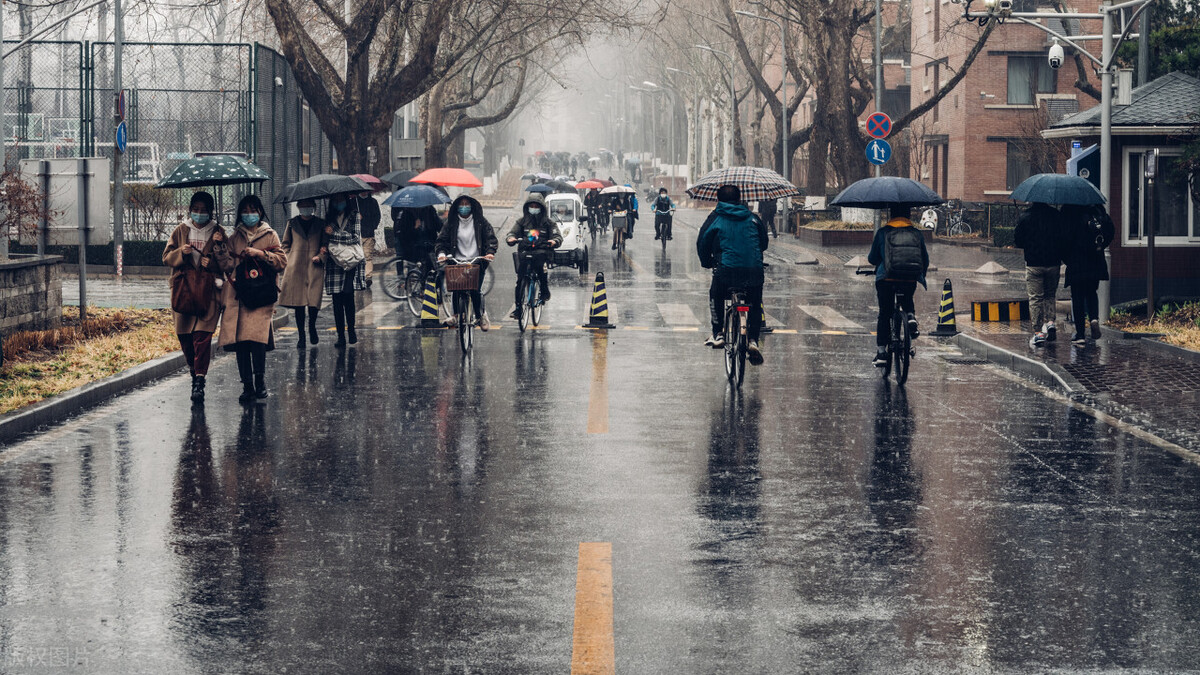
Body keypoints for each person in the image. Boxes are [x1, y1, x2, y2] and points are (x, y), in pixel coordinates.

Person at [216, 195, 287, 403]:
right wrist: (220, 248)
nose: (249, 214)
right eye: (245, 211)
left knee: (256, 341)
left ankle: (260, 382)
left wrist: (260, 254)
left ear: (260, 212)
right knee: (241, 343)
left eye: (253, 210)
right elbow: (227, 266)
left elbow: (281, 261)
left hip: (261, 294)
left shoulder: (270, 235)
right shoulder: (234, 237)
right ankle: (246, 385)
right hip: (238, 295)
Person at [163, 191, 227, 404]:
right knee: (186, 338)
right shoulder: (181, 230)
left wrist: (217, 253)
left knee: (203, 337)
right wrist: (182, 252)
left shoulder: (219, 232)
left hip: (209, 293)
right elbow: (167, 257)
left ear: (210, 211)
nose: (199, 213)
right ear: (190, 210)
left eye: (204, 210)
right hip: (184, 291)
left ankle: (199, 381)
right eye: (196, 209)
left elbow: (228, 263)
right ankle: (193, 369)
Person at [697, 184, 768, 365]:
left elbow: (702, 242)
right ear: (739, 199)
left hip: (726, 271)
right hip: (753, 271)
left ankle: (718, 333)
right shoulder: (752, 218)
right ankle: (752, 339)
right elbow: (764, 242)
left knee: (716, 294)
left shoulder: (716, 218)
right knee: (755, 299)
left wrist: (706, 262)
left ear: (718, 199)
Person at [867, 205, 930, 367]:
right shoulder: (916, 234)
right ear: (908, 215)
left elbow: (872, 259)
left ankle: (881, 352)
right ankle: (910, 316)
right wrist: (920, 274)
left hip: (886, 279)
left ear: (891, 215)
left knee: (884, 314)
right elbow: (924, 259)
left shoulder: (883, 233)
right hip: (909, 278)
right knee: (907, 298)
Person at [436, 195, 498, 330]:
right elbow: (442, 241)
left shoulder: (481, 221)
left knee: (475, 289)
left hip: (476, 262)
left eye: (467, 204)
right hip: (457, 261)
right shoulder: (451, 223)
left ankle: (481, 315)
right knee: (456, 288)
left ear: (472, 206)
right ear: (457, 207)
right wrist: (441, 254)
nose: (464, 207)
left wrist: (489, 252)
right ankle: (456, 315)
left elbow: (490, 238)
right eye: (461, 204)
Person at [1061, 203, 1114, 344]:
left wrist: (1067, 258)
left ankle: (1080, 334)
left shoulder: (1070, 212)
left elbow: (1064, 239)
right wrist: (1100, 247)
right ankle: (1094, 319)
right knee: (1091, 293)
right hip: (1095, 261)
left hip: (1077, 262)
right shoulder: (1098, 212)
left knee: (1077, 297)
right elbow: (1110, 231)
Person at [279, 198, 328, 349]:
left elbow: (325, 245)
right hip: (296, 267)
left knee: (313, 301)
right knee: (299, 303)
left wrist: (321, 257)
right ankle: (301, 336)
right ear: (299, 206)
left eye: (309, 205)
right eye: (303, 205)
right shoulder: (292, 223)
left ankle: (312, 326)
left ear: (313, 206)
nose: (306, 208)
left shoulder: (321, 224)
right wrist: (289, 258)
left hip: (314, 266)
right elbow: (285, 244)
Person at [1014, 201, 1063, 346]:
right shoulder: (1056, 215)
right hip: (1053, 262)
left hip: (1034, 264)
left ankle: (1038, 332)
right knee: (1050, 295)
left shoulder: (1025, 216)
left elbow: (1018, 241)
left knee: (1035, 298)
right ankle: (1050, 322)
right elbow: (1062, 237)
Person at [506, 192, 562, 318]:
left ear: (541, 208)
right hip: (525, 252)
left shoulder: (549, 223)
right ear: (527, 207)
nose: (534, 208)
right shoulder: (521, 222)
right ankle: (518, 308)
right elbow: (512, 233)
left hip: (542, 252)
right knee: (520, 281)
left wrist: (554, 241)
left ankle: (544, 290)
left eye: (537, 206)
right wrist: (511, 238)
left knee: (541, 269)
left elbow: (557, 236)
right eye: (531, 206)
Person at [325, 192, 367, 346]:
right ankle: (340, 336)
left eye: (341, 200)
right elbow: (326, 238)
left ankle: (351, 330)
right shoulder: (328, 218)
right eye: (335, 200)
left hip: (351, 261)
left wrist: (334, 234)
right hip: (334, 262)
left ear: (346, 200)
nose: (338, 203)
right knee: (336, 301)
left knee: (348, 296)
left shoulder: (354, 215)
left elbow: (355, 237)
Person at [393, 203, 442, 277]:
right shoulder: (407, 212)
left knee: (434, 268)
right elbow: (404, 233)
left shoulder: (430, 210)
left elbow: (438, 224)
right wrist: (415, 227)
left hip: (429, 244)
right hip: (415, 246)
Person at [357, 190, 382, 287]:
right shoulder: (354, 202)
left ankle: (368, 277)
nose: (364, 193)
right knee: (357, 257)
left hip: (368, 234)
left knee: (367, 256)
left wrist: (372, 226)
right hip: (356, 234)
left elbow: (377, 216)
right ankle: (358, 277)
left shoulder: (373, 202)